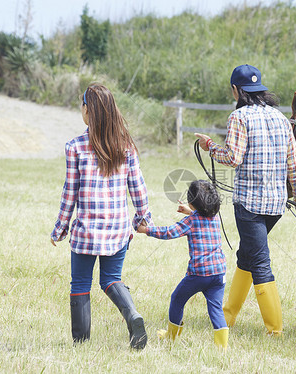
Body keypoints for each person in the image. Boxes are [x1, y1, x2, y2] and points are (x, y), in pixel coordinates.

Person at [195, 64, 296, 336]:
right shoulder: (281, 118)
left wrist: (210, 147)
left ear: (237, 90)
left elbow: (233, 158)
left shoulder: (239, 117)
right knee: (247, 255)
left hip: (249, 205)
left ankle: (275, 330)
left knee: (259, 261)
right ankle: (227, 316)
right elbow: (295, 164)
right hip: (276, 206)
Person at [50, 84, 152, 349]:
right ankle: (132, 315)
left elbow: (69, 193)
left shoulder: (75, 147)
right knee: (111, 280)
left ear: (88, 110)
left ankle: (81, 344)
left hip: (86, 232)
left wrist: (60, 228)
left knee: (81, 283)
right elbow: (138, 187)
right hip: (118, 230)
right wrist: (143, 217)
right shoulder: (125, 144)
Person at [137, 180, 229, 348]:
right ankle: (222, 347)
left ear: (192, 202)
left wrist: (146, 230)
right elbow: (201, 219)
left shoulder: (191, 222)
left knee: (177, 299)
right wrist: (190, 211)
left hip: (199, 274)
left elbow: (169, 232)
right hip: (218, 272)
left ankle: (171, 337)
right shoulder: (214, 217)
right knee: (216, 309)